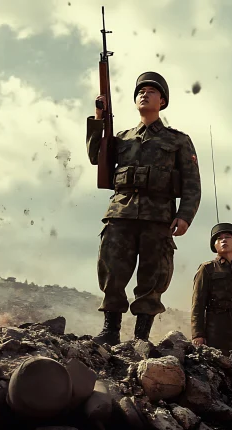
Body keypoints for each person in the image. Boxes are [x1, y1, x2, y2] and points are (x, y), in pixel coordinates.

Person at [86, 71, 201, 344]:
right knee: (112, 271)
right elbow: (95, 156)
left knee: (152, 277)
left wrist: (185, 217)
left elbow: (192, 184)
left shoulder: (178, 140)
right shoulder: (122, 138)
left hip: (158, 217)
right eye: (140, 91)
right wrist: (99, 118)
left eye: (151, 91)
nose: (144, 94)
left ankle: (141, 337)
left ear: (162, 101)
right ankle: (110, 331)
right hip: (121, 214)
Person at [190, 223, 232, 365]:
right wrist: (198, 335)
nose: (224, 240)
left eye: (228, 237)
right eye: (219, 239)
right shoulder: (207, 269)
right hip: (217, 335)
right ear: (214, 245)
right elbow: (198, 304)